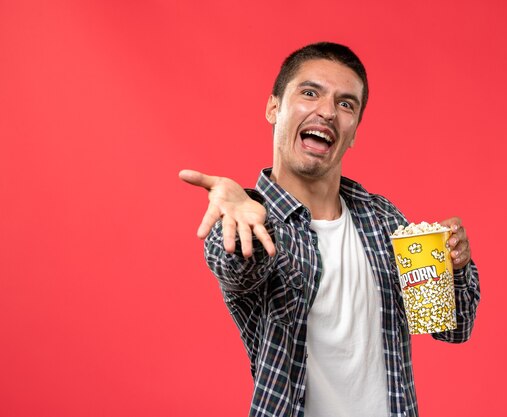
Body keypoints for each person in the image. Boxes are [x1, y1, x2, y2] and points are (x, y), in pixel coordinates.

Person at [179, 42, 480, 417]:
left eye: (345, 103)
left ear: (353, 132)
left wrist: (454, 267)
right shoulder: (253, 222)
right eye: (309, 93)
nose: (326, 112)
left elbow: (451, 328)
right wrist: (237, 211)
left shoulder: (384, 220)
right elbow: (238, 271)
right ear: (274, 108)